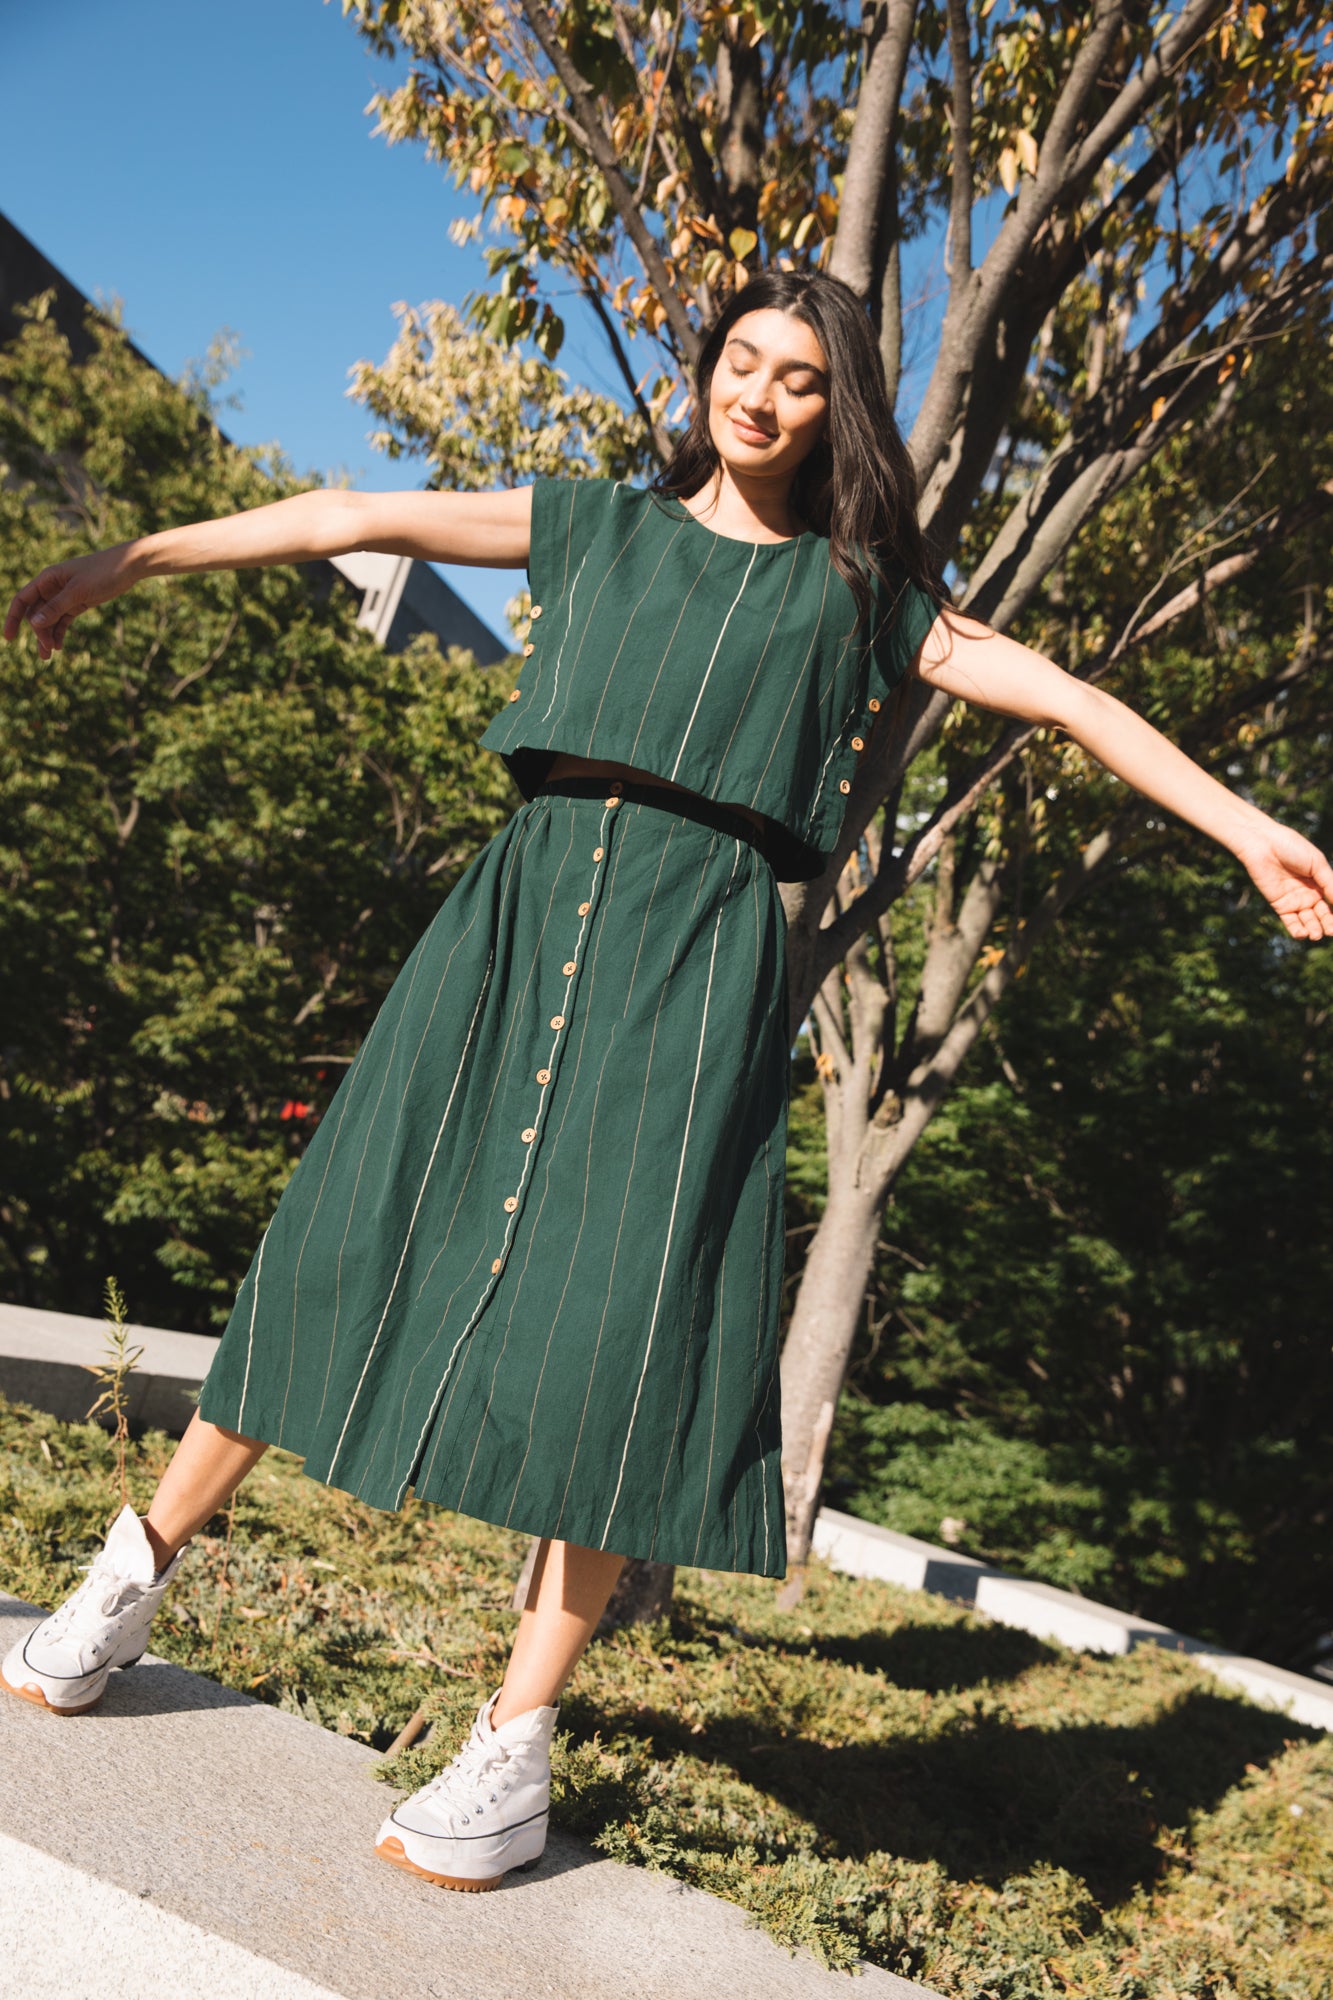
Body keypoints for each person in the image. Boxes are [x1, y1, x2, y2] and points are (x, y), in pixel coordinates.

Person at [3, 272, 1330, 1893]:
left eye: (795, 380)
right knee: (351, 1232)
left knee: (623, 1330)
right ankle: (135, 1569)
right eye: (738, 362)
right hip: (515, 910)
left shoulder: (867, 601)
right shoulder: (593, 528)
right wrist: (132, 559)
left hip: (695, 966)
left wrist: (1246, 827)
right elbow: (353, 510)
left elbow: (1062, 694)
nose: (755, 395)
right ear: (705, 374)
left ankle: (510, 1746)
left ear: (830, 413)